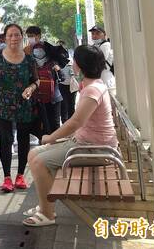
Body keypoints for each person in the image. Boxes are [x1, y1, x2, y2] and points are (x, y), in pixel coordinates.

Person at [23, 45, 117, 227]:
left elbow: (75, 122)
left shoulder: (92, 90)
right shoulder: (92, 86)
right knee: (34, 154)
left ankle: (47, 213)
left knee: (39, 162)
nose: (72, 64)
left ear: (79, 65)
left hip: (96, 148)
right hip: (86, 143)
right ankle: (45, 204)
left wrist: (51, 137)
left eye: (74, 61)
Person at [0, 24, 40, 192]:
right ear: (5, 38)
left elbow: (36, 80)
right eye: (10, 35)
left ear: (21, 37)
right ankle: (7, 178)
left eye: (16, 35)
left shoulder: (30, 59)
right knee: (5, 140)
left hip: (24, 105)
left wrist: (31, 88)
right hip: (2, 105)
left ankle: (20, 175)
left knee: (23, 140)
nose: (13, 38)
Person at [24, 26, 68, 136]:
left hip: (53, 96)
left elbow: (62, 65)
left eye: (32, 36)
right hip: (37, 97)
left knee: (54, 125)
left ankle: (54, 147)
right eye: (28, 36)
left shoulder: (50, 50)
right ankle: (45, 146)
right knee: (41, 125)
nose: (30, 39)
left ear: (38, 36)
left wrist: (56, 67)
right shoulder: (27, 52)